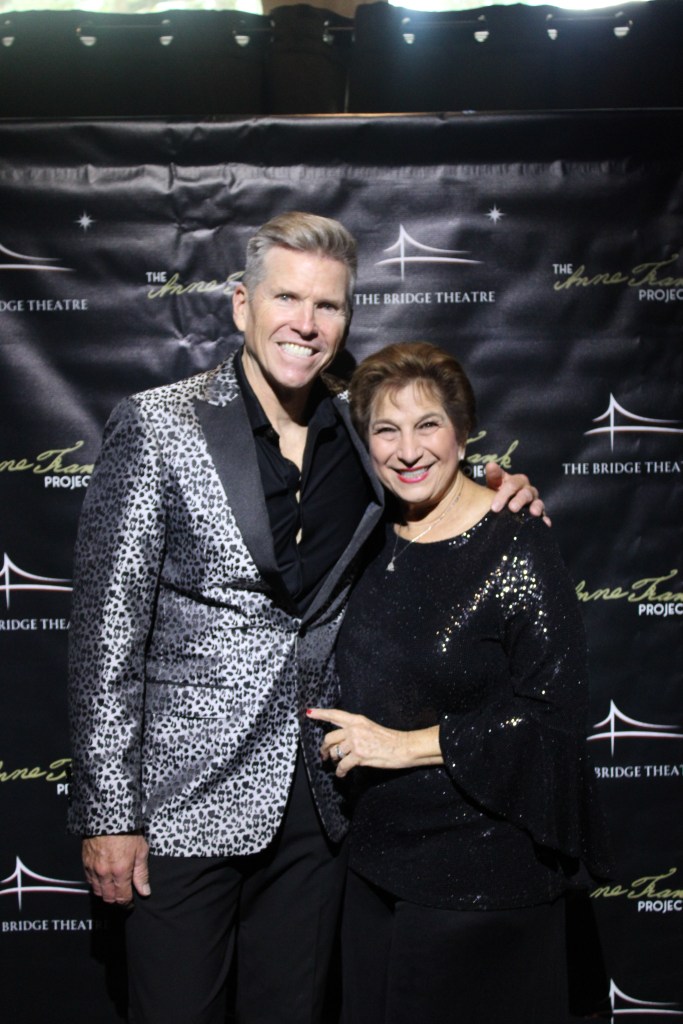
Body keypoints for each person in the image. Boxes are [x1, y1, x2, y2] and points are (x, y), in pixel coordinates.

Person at [67, 215, 546, 1024]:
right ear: (241, 305)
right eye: (286, 298)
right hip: (180, 804)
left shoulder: (360, 422)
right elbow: (104, 637)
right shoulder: (158, 424)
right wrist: (110, 815)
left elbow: (432, 475)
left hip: (318, 805)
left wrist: (502, 488)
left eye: (328, 306)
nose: (306, 323)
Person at [308, 341, 610, 1024]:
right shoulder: (369, 532)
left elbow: (554, 720)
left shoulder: (516, 542)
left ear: (463, 432)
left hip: (482, 882)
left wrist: (405, 744)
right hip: (371, 873)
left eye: (428, 425)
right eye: (386, 430)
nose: (408, 450)